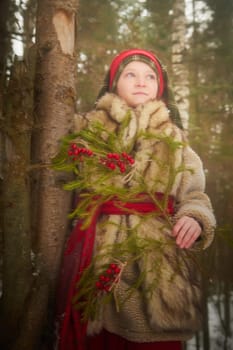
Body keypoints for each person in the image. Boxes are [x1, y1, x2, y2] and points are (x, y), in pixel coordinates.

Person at [54, 49, 216, 350]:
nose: (141, 81)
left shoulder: (175, 139)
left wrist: (194, 217)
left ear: (160, 87)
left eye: (150, 76)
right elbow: (63, 190)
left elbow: (195, 193)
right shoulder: (87, 133)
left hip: (157, 271)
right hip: (96, 265)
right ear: (114, 83)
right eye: (131, 74)